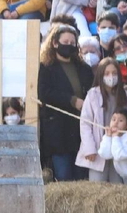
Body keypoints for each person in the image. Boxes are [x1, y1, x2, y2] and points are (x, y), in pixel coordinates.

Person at [36, 25, 91, 180]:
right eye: (65, 41)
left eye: (72, 42)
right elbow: (44, 93)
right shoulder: (46, 68)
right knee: (64, 175)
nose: (69, 45)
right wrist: (72, 100)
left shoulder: (84, 68)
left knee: (81, 177)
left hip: (80, 129)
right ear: (55, 43)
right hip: (58, 132)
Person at [76, 54, 127, 182]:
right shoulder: (93, 95)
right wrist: (89, 148)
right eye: (106, 73)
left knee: (118, 185)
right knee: (97, 185)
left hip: (118, 148)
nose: (111, 76)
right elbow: (85, 123)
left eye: (114, 73)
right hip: (98, 149)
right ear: (100, 75)